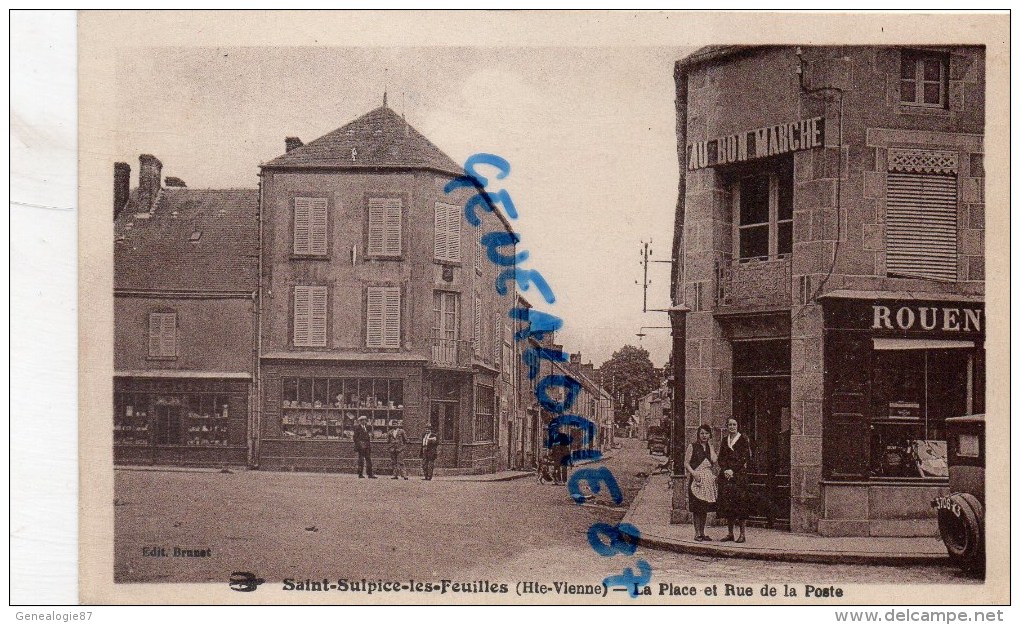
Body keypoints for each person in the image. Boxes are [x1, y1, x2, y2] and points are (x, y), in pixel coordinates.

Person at [717, 417, 752, 543]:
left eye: (734, 424)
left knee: (741, 504)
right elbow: (721, 457)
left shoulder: (743, 439)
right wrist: (725, 469)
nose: (732, 427)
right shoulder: (725, 440)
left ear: (738, 426)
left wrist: (733, 470)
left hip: (738, 476)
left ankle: (742, 534)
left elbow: (744, 457)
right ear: (727, 426)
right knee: (728, 504)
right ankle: (730, 533)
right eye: (730, 425)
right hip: (727, 476)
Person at [684, 424, 718, 541]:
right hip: (696, 479)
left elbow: (714, 460)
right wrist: (694, 474)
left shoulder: (709, 447)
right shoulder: (692, 446)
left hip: (707, 480)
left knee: (704, 507)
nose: (704, 436)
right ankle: (697, 533)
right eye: (702, 433)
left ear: (710, 435)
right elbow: (686, 463)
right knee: (696, 507)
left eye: (707, 433)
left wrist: (710, 446)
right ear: (698, 434)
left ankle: (703, 532)